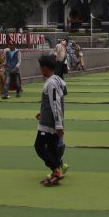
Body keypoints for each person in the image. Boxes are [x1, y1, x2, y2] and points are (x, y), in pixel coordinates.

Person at [35, 54, 68, 186]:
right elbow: (54, 102)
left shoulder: (51, 83)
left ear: (44, 68)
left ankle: (56, 170)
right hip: (51, 120)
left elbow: (55, 103)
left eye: (40, 67)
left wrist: (59, 125)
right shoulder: (58, 80)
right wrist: (42, 112)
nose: (40, 70)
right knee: (52, 148)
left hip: (49, 124)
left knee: (39, 147)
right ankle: (56, 172)